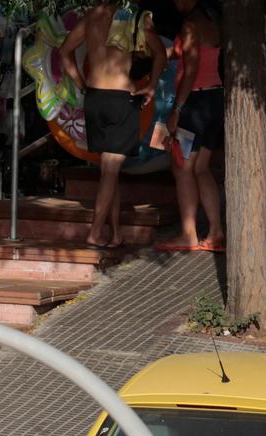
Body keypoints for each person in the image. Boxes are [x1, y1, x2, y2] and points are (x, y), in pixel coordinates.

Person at [60, 2, 167, 247]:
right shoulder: (135, 17)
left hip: (95, 97)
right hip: (121, 99)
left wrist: (81, 85)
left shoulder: (91, 15)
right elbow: (160, 53)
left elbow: (65, 50)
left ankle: (115, 233)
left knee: (109, 170)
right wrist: (151, 85)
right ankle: (95, 232)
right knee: (110, 169)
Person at [155, 0, 224, 252]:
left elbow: (192, 67)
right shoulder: (212, 19)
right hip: (215, 98)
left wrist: (177, 110)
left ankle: (188, 234)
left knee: (182, 167)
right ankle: (216, 231)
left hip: (195, 102)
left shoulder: (190, 23)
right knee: (202, 168)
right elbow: (191, 53)